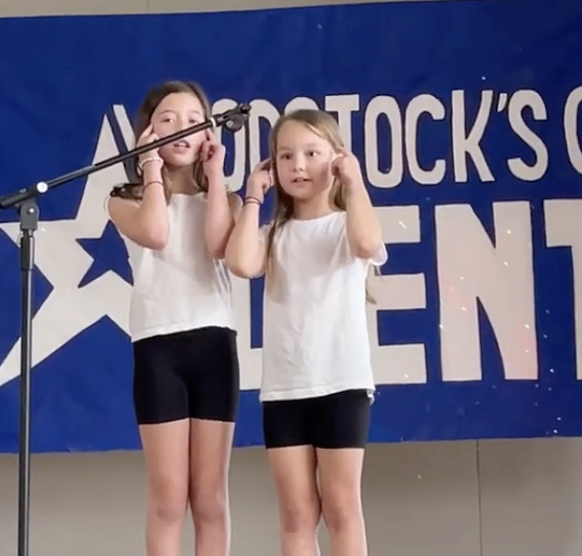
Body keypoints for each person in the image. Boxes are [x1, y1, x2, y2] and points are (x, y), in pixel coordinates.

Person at [224, 108, 386, 556]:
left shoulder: (346, 226)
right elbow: (241, 263)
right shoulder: (273, 233)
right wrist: (252, 198)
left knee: (341, 506)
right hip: (285, 388)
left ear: (336, 158)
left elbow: (368, 243)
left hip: (341, 383)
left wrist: (354, 182)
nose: (298, 165)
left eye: (312, 153)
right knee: (296, 514)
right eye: (286, 156)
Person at [106, 80, 243, 556]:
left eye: (192, 121)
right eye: (167, 120)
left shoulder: (224, 199)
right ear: (147, 132)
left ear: (208, 132)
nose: (180, 129)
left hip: (214, 345)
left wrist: (216, 176)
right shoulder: (123, 199)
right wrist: (150, 166)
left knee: (210, 498)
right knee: (168, 500)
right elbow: (157, 232)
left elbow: (219, 245)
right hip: (159, 348)